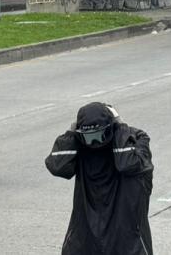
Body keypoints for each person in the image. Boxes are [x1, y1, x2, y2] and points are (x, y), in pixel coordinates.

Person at [45, 102, 153, 255]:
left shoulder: (136, 138)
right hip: (87, 234)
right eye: (89, 137)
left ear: (111, 127)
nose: (95, 143)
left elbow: (127, 164)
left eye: (99, 135)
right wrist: (71, 132)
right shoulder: (80, 144)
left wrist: (120, 126)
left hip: (126, 236)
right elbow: (57, 166)